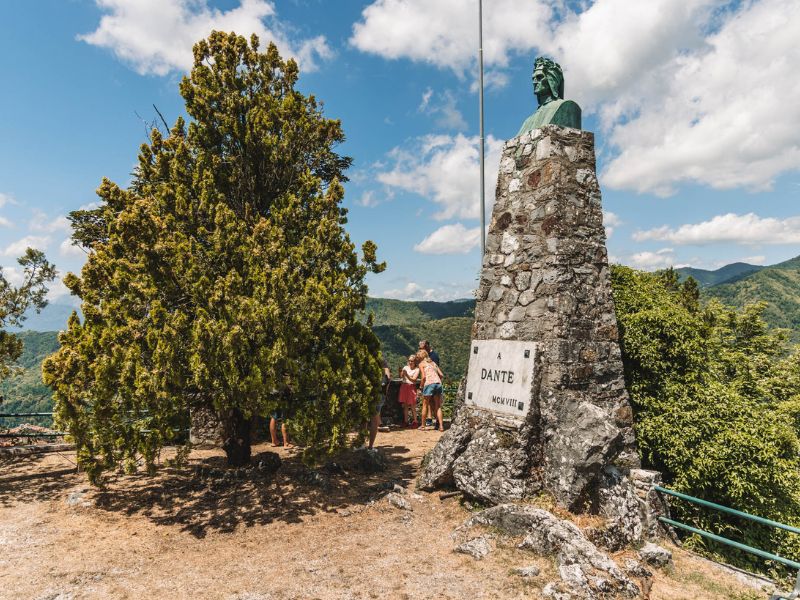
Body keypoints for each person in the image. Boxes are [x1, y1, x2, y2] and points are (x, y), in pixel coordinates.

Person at [417, 349, 444, 431]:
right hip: (438, 383)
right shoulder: (433, 363)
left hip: (429, 384)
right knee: (438, 406)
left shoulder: (421, 364)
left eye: (418, 356)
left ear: (420, 357)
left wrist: (421, 387)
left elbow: (423, 377)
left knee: (425, 405)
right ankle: (441, 426)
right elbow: (441, 375)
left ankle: (423, 426)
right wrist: (436, 381)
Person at [369, 358, 392, 450]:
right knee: (374, 420)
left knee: (364, 420)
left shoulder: (367, 363)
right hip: (379, 394)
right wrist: (385, 393)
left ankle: (361, 444)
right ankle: (370, 446)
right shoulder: (383, 363)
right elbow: (388, 378)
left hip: (367, 393)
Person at [399, 354, 420, 428]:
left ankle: (415, 422)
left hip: (411, 387)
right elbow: (401, 376)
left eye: (412, 361)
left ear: (415, 362)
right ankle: (406, 421)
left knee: (413, 405)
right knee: (405, 405)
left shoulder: (417, 369)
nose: (410, 362)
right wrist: (402, 373)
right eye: (409, 361)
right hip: (404, 386)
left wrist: (407, 375)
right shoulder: (405, 367)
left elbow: (414, 380)